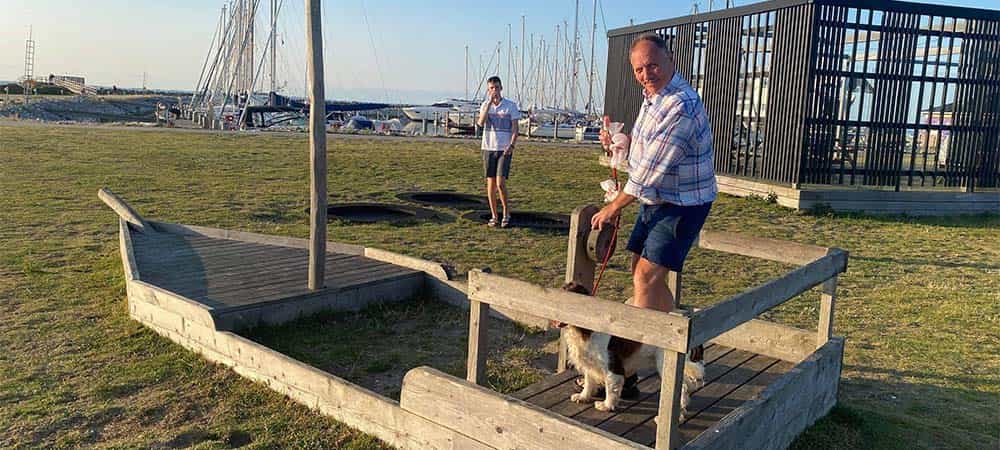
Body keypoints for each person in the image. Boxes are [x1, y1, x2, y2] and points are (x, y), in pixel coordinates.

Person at [591, 33, 717, 316]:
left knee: (645, 278)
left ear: (670, 59)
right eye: (639, 69)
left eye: (652, 66)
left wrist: (613, 207)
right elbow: (642, 142)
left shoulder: (682, 104)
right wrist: (618, 142)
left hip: (683, 203)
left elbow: (650, 172)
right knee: (640, 270)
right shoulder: (653, 97)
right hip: (656, 199)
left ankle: (643, 352)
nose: (646, 74)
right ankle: (675, 339)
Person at [477, 76, 521, 228]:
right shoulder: (485, 105)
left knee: (501, 183)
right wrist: (489, 105)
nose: (494, 90)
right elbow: (480, 123)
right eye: (491, 88)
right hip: (488, 148)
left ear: (501, 88)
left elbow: (515, 129)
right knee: (490, 184)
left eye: (496, 87)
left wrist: (511, 145)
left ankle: (506, 213)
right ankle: (494, 215)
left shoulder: (510, 106)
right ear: (488, 90)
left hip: (504, 149)